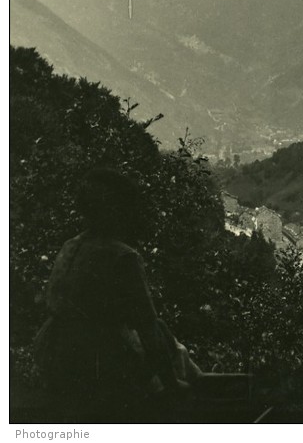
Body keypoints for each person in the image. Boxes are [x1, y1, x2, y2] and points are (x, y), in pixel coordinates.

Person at [34, 168, 202, 421]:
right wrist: (172, 385)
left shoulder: (71, 246)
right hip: (100, 363)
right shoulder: (123, 256)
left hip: (56, 355)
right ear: (119, 210)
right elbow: (148, 328)